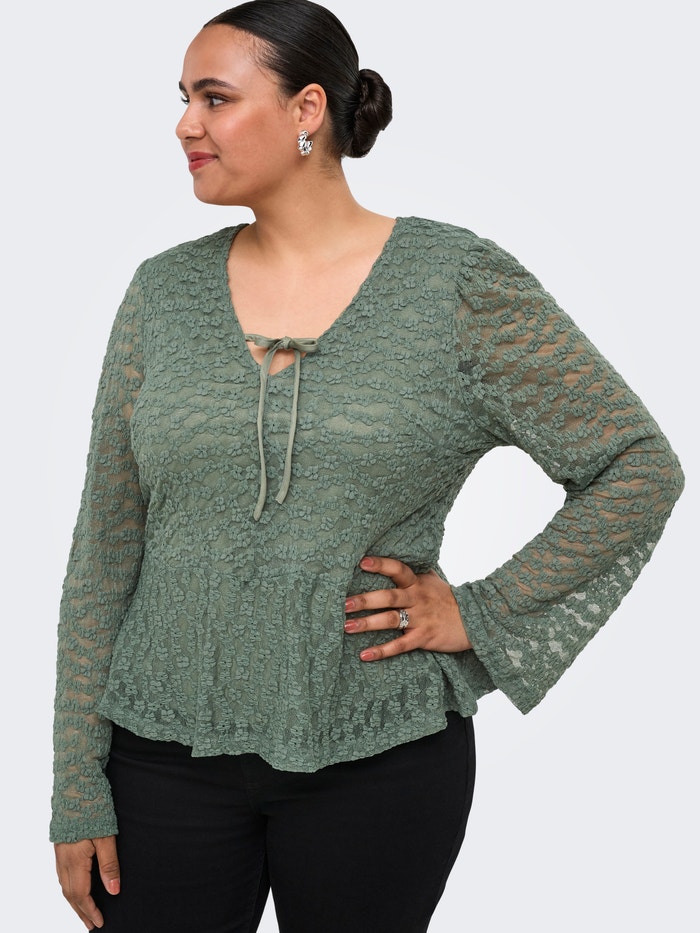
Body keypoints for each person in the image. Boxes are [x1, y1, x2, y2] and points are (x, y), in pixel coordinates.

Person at [50, 1, 684, 931]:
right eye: (183, 99)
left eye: (215, 98)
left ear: (307, 108)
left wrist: (481, 610)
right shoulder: (162, 293)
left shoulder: (456, 285)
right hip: (158, 758)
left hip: (380, 758)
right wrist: (75, 780)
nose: (186, 125)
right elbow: (105, 549)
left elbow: (635, 464)